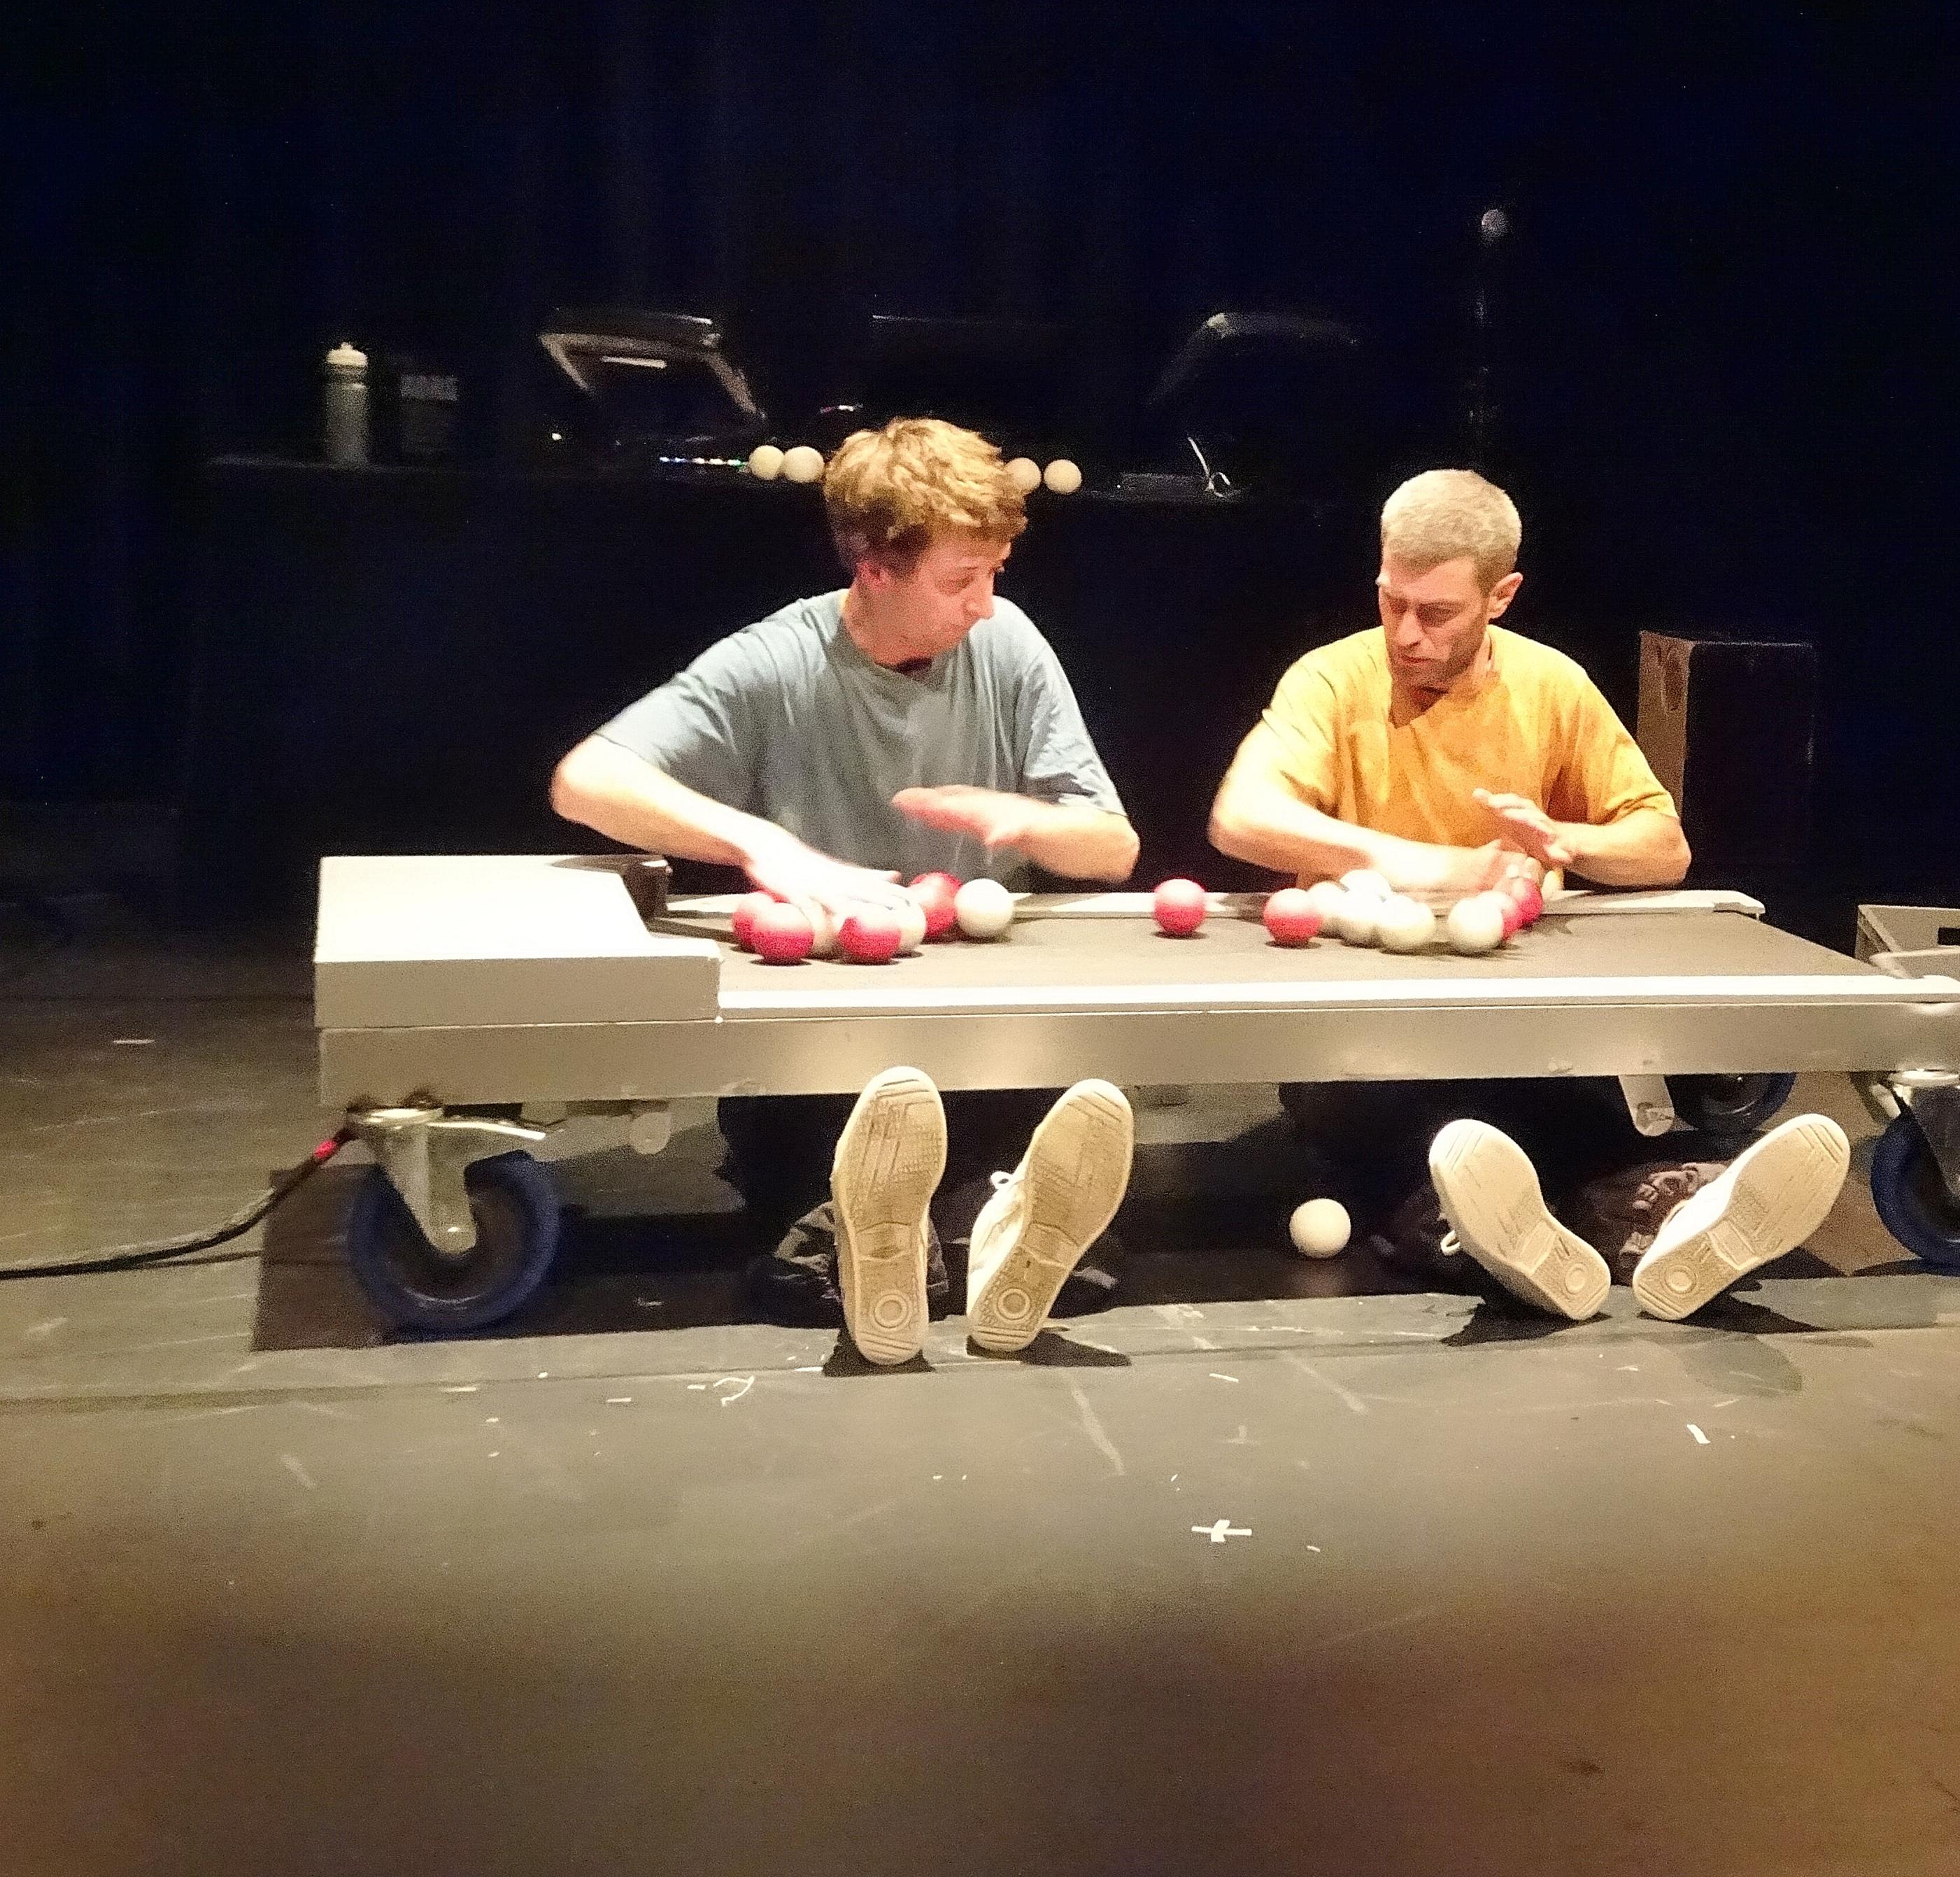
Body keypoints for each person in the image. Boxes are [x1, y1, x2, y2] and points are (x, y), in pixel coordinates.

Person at [548, 417, 1139, 1362]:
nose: (985, 604)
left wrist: (1024, 820)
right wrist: (761, 842)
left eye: (995, 573)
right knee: (815, 1250)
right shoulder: (776, 660)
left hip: (981, 1040)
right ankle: (890, 1246)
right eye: (961, 579)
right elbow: (584, 782)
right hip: (819, 1054)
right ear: (874, 568)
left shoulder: (1011, 645)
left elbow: (1113, 848)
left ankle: (976, 1243)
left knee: (1035, 1228)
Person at [1209, 468, 1854, 1319]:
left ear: (1501, 596)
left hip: (1518, 1022)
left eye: (1436, 612)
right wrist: (1425, 866)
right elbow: (1238, 816)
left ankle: (1654, 1219)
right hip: (1363, 1034)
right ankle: (1538, 1236)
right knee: (1419, 1151)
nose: (1405, 633)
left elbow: (1664, 847)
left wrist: (1567, 842)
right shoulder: (1329, 679)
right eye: (1391, 601)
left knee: (1569, 1120)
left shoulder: (1552, 685)